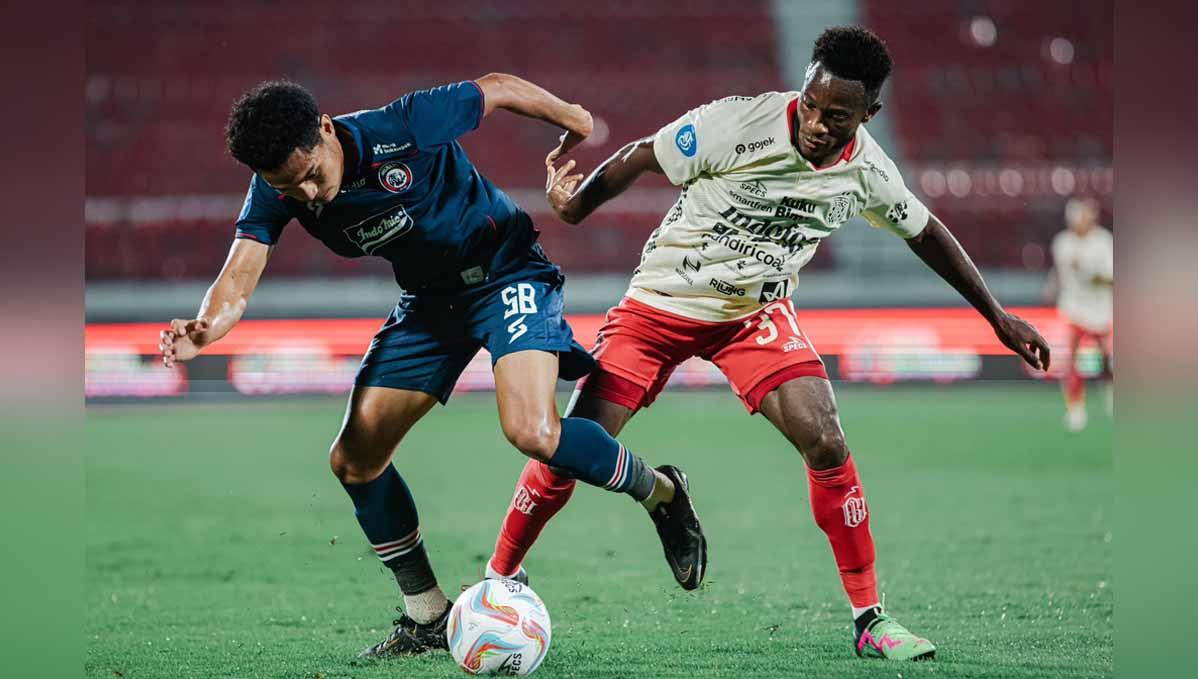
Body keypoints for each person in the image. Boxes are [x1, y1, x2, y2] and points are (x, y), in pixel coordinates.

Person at [485, 26, 1051, 661]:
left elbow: (926, 233)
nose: (814, 122)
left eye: (835, 116)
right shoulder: (738, 123)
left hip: (754, 315)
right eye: (810, 103)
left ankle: (870, 618)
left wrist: (998, 317)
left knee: (826, 437)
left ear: (870, 115)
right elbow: (643, 154)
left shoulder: (868, 171)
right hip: (659, 305)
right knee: (571, 448)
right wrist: (574, 208)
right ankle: (500, 576)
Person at [156, 75, 706, 658]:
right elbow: (240, 270)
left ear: (324, 128)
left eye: (312, 174)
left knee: (532, 432)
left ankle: (663, 493)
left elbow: (495, 89)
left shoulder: (403, 125)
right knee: (355, 461)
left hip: (505, 271)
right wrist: (207, 326)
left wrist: (573, 115)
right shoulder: (276, 186)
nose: (310, 195)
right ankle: (427, 616)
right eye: (291, 190)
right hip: (429, 303)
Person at [1047, 197, 1114, 432]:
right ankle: (1076, 409)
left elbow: (1110, 277)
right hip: (1074, 310)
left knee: (1108, 360)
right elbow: (1063, 272)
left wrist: (1096, 276)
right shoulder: (1063, 242)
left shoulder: (1104, 241)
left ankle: (1110, 394)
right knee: (1071, 362)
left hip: (1101, 310)